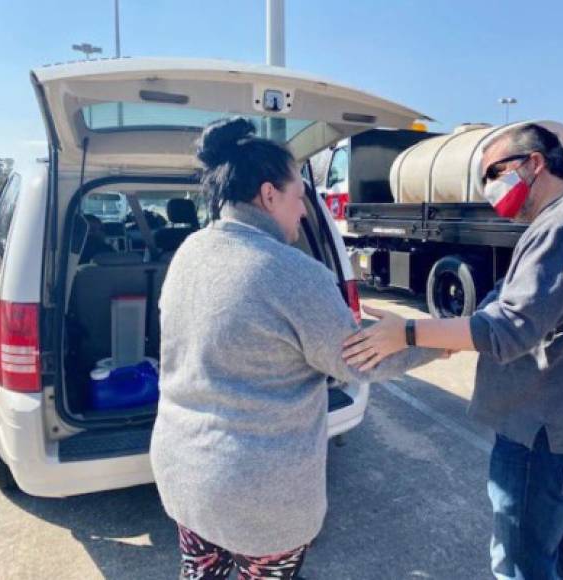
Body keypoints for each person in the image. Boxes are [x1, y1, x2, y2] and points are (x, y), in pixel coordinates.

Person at [150, 117, 440, 580]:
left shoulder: (189, 252)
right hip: (258, 495)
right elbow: (360, 360)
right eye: (299, 197)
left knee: (200, 572)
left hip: (183, 473)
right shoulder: (293, 272)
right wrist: (435, 339)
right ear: (269, 195)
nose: (304, 211)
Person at [343, 123, 563, 580]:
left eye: (495, 172)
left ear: (535, 163)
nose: (489, 188)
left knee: (518, 563)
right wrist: (447, 333)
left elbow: (508, 329)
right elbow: (500, 301)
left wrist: (408, 332)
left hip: (543, 432)